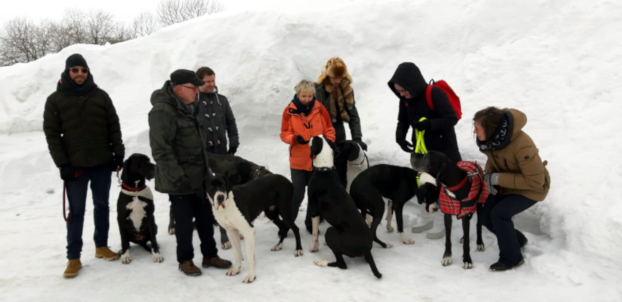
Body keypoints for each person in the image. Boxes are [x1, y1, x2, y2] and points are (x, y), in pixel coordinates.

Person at [43, 53, 124, 278]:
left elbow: (113, 126)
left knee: (102, 206)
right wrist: (62, 164)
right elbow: (52, 134)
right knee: (76, 211)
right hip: (75, 167)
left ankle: (101, 246)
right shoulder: (55, 100)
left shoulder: (100, 96)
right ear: (68, 72)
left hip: (101, 163)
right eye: (75, 70)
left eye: (84, 70)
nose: (80, 74)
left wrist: (118, 154)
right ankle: (73, 258)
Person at [148, 69, 231, 276]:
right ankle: (185, 260)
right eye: (193, 88)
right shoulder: (162, 112)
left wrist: (206, 172)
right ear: (178, 88)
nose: (197, 91)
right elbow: (161, 150)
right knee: (184, 223)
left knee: (204, 218)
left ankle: (210, 255)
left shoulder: (189, 105)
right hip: (180, 179)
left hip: (199, 175)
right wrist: (179, 177)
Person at [388, 62, 462, 239]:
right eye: (399, 91)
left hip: (442, 149)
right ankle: (426, 216)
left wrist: (429, 124)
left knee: (439, 185)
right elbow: (403, 121)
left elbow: (451, 118)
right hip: (421, 149)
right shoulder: (405, 99)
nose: (402, 94)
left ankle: (440, 219)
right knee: (422, 182)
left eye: (404, 90)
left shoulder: (434, 93)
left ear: (413, 84)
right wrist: (400, 137)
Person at [473, 107, 550, 271]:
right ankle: (518, 239)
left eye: (477, 128)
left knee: (499, 214)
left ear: (490, 129)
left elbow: (535, 180)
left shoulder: (523, 146)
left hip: (533, 188)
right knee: (486, 215)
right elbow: (493, 160)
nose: (474, 131)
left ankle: (512, 258)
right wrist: (489, 176)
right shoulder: (494, 140)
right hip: (507, 184)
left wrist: (497, 179)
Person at [280, 80, 336, 233]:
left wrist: (329, 142)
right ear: (298, 94)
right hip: (298, 161)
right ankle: (287, 224)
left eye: (310, 96)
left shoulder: (320, 109)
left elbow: (329, 129)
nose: (307, 99)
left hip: (317, 161)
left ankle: (311, 224)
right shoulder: (289, 111)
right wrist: (294, 138)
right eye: (304, 96)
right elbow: (284, 133)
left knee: (315, 195)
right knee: (296, 195)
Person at [314, 57, 365, 149]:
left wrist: (357, 138)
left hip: (338, 136)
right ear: (327, 75)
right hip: (318, 136)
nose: (338, 81)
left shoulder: (346, 90)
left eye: (340, 78)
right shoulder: (316, 89)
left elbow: (353, 115)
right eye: (334, 78)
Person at [195, 67, 239, 155]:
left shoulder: (222, 100)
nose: (212, 84)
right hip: (201, 155)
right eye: (208, 82)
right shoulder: (191, 101)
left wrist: (233, 145)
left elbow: (231, 123)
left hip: (221, 152)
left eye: (213, 81)